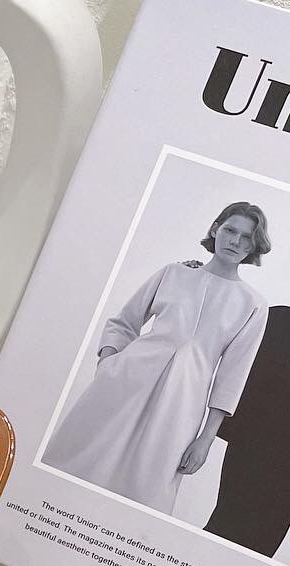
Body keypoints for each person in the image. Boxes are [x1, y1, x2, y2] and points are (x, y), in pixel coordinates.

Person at [42, 202, 270, 515]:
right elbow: (123, 323)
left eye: (246, 237)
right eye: (230, 230)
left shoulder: (253, 304)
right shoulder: (173, 273)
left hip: (182, 405)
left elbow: (232, 376)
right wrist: (107, 365)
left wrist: (205, 439)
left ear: (254, 246)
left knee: (147, 494)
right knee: (76, 465)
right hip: (123, 384)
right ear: (216, 228)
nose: (235, 241)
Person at [204, 304, 290, 557]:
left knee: (261, 545)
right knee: (226, 526)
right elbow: (236, 366)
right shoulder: (276, 319)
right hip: (253, 448)